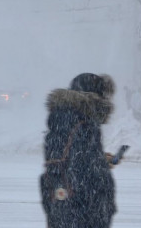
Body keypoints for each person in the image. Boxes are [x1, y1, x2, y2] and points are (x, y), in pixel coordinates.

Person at [40, 73, 116, 228]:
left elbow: (67, 157)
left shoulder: (65, 117)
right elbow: (80, 167)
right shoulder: (83, 122)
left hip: (64, 200)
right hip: (82, 205)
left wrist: (100, 160)